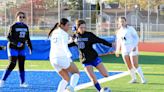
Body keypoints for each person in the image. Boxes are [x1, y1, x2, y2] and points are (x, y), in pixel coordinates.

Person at [71, 20, 112, 91]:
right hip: (85, 60)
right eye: (81, 27)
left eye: (84, 27)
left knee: (106, 75)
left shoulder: (89, 35)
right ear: (77, 28)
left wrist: (110, 45)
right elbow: (71, 44)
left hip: (94, 58)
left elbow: (100, 40)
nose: (83, 29)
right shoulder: (75, 36)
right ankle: (100, 90)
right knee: (93, 79)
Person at [0, 11, 32, 87]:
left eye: (23, 17)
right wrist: (16, 43)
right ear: (17, 17)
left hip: (22, 48)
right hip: (12, 47)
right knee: (12, 64)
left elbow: (27, 38)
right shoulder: (13, 26)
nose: (21, 18)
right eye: (20, 17)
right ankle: (2, 80)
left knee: (21, 65)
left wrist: (30, 47)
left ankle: (22, 83)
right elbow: (8, 37)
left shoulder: (26, 27)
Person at [48, 18, 80, 92]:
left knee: (66, 78)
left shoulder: (54, 32)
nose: (68, 27)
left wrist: (71, 40)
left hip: (52, 59)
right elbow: (64, 46)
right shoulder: (64, 33)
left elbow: (61, 43)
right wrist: (69, 55)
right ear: (62, 25)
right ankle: (71, 88)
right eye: (67, 25)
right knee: (76, 72)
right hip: (61, 57)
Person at [115, 17, 146, 84]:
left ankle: (143, 79)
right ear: (119, 23)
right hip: (124, 49)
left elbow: (137, 37)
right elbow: (118, 41)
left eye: (123, 21)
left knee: (134, 64)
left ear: (126, 22)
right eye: (120, 22)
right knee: (128, 65)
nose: (122, 23)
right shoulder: (119, 31)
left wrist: (134, 46)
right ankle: (134, 78)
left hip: (132, 48)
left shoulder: (130, 29)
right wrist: (117, 50)